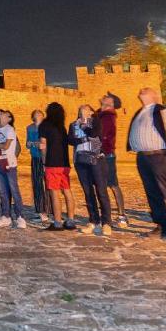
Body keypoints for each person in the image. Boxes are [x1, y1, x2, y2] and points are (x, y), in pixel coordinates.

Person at [128, 88, 166, 241]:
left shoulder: (162, 111)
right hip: (143, 157)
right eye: (141, 90)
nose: (142, 90)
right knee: (152, 193)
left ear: (154, 95)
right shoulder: (140, 112)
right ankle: (163, 226)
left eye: (147, 90)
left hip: (159, 156)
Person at [70, 105, 112, 236]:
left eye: (87, 109)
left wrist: (83, 125)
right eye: (81, 109)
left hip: (96, 160)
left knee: (101, 191)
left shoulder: (96, 122)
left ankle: (106, 223)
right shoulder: (73, 124)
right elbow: (70, 140)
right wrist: (82, 137)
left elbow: (94, 134)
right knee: (88, 192)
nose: (83, 111)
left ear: (92, 112)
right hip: (81, 161)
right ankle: (94, 221)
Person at [38, 103, 76, 231]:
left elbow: (43, 145)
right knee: (67, 191)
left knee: (54, 193)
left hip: (52, 163)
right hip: (64, 164)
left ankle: (58, 222)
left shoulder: (44, 125)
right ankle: (70, 221)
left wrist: (44, 162)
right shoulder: (62, 127)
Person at [0, 109, 26, 228]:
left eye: (3, 115)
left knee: (14, 190)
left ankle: (20, 216)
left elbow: (6, 146)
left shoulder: (10, 129)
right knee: (3, 191)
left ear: (9, 119)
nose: (0, 117)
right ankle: (6, 216)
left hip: (10, 164)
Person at [98, 93, 128, 227]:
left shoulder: (108, 116)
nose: (104, 98)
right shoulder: (101, 114)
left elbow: (105, 136)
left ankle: (121, 216)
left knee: (113, 185)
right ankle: (109, 215)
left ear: (111, 104)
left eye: (107, 99)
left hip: (106, 154)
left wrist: (103, 150)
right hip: (102, 154)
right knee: (104, 185)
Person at [27, 109, 48, 224]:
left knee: (48, 184)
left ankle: (49, 210)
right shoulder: (30, 128)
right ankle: (40, 210)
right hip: (35, 157)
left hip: (46, 158)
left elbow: (46, 143)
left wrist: (37, 144)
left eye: (40, 113)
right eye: (36, 113)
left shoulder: (47, 127)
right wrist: (32, 144)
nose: (38, 115)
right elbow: (27, 143)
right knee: (37, 184)